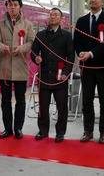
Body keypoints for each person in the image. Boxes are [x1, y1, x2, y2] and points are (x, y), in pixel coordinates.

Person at [73, 0, 104, 144]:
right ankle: (88, 130)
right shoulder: (82, 20)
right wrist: (81, 53)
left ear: (103, 1)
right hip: (86, 67)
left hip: (103, 67)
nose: (92, 0)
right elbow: (76, 40)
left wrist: (91, 53)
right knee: (87, 100)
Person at [30, 8, 75, 143]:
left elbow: (71, 55)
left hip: (60, 77)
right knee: (43, 106)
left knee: (62, 107)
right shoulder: (41, 35)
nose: (53, 16)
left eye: (56, 15)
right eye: (51, 14)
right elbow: (33, 51)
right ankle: (43, 131)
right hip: (44, 76)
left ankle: (60, 132)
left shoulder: (66, 36)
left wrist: (66, 72)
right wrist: (36, 58)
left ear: (61, 19)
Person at [0, 0, 35, 139]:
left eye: (15, 5)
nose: (12, 7)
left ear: (20, 7)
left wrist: (22, 48)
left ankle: (18, 128)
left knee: (20, 100)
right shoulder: (0, 24)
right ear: (6, 7)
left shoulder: (27, 24)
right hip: (5, 67)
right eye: (10, 5)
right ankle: (7, 129)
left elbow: (31, 42)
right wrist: (2, 47)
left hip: (20, 67)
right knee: (5, 100)